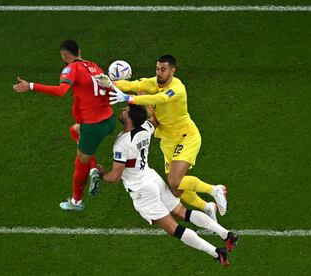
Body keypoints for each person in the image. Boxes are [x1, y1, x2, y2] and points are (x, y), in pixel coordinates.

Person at [98, 104, 238, 266]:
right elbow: (154, 119)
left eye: (125, 110)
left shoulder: (122, 143)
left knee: (174, 228)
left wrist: (101, 173)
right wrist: (143, 98)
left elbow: (114, 177)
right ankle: (226, 234)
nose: (122, 110)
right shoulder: (145, 129)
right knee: (181, 211)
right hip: (152, 178)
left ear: (130, 118)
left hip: (141, 189)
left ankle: (216, 252)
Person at [95, 55, 227, 217]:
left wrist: (130, 98)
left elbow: (161, 98)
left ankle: (215, 189)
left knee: (174, 180)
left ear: (173, 70)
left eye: (163, 69)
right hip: (167, 140)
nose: (159, 73)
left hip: (186, 137)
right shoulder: (154, 82)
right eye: (157, 69)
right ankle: (207, 207)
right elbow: (133, 84)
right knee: (176, 189)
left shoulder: (177, 88)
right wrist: (110, 83)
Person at [13, 39, 116, 211]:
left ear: (64, 55)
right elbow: (107, 90)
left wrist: (31, 86)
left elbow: (61, 91)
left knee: (79, 163)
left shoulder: (71, 68)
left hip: (94, 127)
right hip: (109, 120)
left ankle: (76, 202)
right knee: (74, 130)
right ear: (79, 51)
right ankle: (93, 170)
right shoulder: (94, 66)